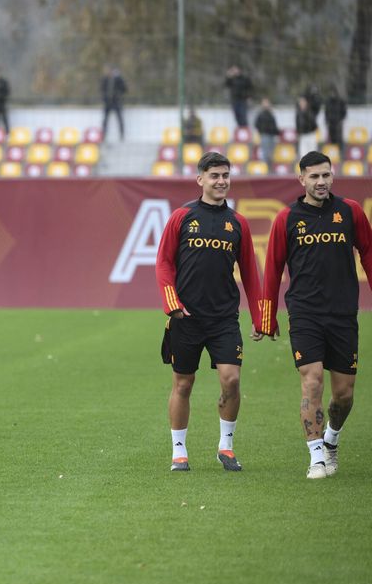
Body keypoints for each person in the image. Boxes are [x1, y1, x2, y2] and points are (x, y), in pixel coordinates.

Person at [260, 151, 372, 479]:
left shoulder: (350, 212)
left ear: (332, 176)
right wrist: (266, 317)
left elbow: (368, 252)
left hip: (342, 314)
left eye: (325, 175)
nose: (320, 182)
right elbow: (272, 268)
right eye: (314, 177)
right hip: (305, 313)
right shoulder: (286, 218)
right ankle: (316, 457)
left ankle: (331, 439)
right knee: (312, 380)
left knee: (344, 393)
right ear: (302, 180)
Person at [154, 151, 265, 473]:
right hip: (185, 318)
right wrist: (171, 303)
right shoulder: (182, 217)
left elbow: (250, 274)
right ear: (200, 179)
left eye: (225, 175)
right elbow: (163, 263)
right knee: (183, 384)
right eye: (214, 175)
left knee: (231, 381)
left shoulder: (237, 223)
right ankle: (179, 452)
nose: (221, 181)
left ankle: (226, 448)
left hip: (224, 319)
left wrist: (261, 317)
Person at [100, 65, 126, 141]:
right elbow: (102, 89)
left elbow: (124, 89)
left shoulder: (118, 79)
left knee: (120, 119)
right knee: (105, 120)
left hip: (116, 102)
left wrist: (119, 78)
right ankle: (103, 136)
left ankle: (122, 135)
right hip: (108, 103)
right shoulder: (105, 79)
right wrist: (104, 99)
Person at [254, 98, 279, 169]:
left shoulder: (271, 113)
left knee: (271, 153)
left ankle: (270, 168)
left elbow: (274, 125)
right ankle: (265, 168)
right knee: (265, 153)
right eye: (265, 103)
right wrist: (262, 131)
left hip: (271, 135)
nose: (266, 104)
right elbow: (257, 124)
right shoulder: (261, 114)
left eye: (267, 103)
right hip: (265, 135)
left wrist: (276, 133)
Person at [323, 86, 347, 155]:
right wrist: (327, 120)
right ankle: (333, 154)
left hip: (338, 124)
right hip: (331, 124)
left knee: (339, 139)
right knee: (331, 139)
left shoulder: (341, 101)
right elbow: (326, 112)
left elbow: (344, 112)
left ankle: (340, 154)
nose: (332, 94)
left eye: (333, 92)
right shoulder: (328, 102)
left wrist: (340, 120)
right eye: (331, 92)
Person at [295, 95, 318, 161]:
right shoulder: (298, 113)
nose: (301, 104)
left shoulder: (310, 112)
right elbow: (297, 125)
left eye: (303, 102)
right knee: (303, 155)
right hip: (303, 136)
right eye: (300, 102)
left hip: (311, 135)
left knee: (312, 154)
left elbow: (314, 124)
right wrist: (299, 133)